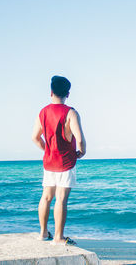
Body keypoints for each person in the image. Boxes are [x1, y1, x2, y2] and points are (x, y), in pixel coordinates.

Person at [31, 76, 86, 245]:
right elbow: (80, 139)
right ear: (68, 94)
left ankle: (42, 233)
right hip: (66, 163)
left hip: (49, 162)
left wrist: (47, 150)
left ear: (51, 92)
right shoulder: (71, 113)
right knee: (61, 199)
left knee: (46, 197)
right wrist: (81, 152)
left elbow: (35, 138)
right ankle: (58, 237)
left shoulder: (43, 112)